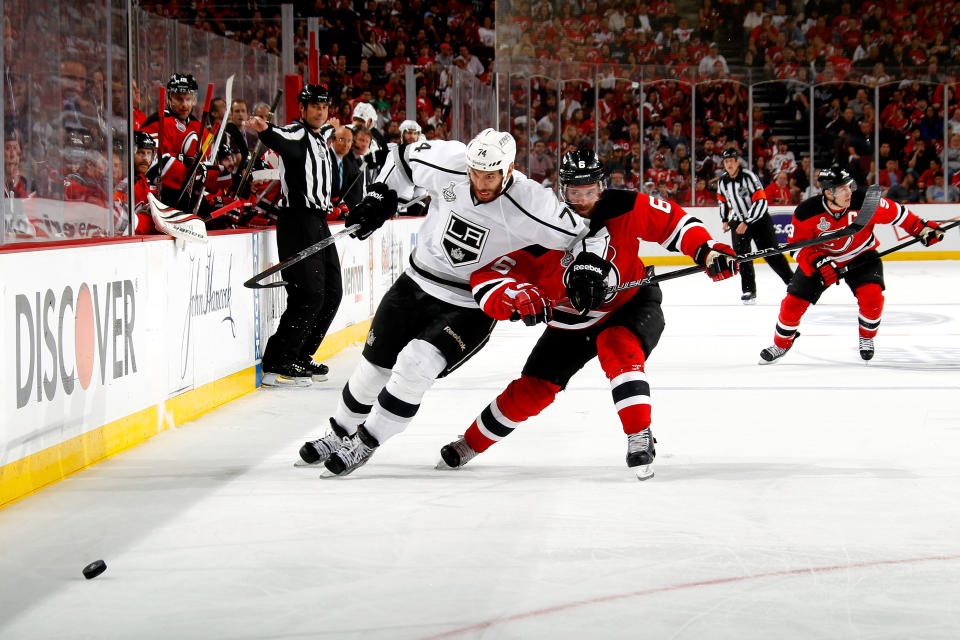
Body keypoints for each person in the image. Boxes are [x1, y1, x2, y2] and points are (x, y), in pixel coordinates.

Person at [296, 129, 609, 476]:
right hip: (414, 283)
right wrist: (380, 196)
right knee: (372, 370)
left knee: (416, 364)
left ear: (508, 169)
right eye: (475, 172)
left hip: (468, 304)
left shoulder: (532, 201)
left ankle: (367, 442)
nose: (481, 182)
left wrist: (588, 269)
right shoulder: (449, 161)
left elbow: (589, 235)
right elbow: (402, 159)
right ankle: (338, 432)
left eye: (490, 175)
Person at [436, 150, 738, 479]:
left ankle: (639, 433)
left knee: (616, 344)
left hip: (630, 304)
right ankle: (470, 442)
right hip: (568, 324)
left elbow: (675, 224)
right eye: (574, 193)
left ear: (602, 187)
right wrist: (516, 297)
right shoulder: (538, 225)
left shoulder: (625, 206)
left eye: (590, 191)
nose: (582, 201)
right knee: (532, 389)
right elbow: (489, 277)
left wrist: (706, 250)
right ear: (561, 190)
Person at [246, 84, 388, 386]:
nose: (320, 111)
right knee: (308, 294)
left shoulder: (321, 139)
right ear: (303, 108)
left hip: (318, 221)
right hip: (298, 221)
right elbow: (278, 136)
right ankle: (278, 361)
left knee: (332, 292)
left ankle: (300, 354)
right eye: (314, 106)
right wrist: (263, 127)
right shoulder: (297, 133)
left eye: (324, 107)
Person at [759, 166, 945, 364]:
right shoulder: (806, 212)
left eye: (850, 186)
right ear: (828, 192)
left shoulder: (866, 202)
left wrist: (922, 228)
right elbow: (797, 248)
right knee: (792, 304)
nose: (849, 192)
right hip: (822, 260)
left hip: (861, 255)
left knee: (872, 298)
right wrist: (818, 261)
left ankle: (867, 337)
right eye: (843, 189)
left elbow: (901, 216)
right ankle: (782, 343)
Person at [716, 147, 794, 304]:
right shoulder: (723, 181)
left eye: (731, 160)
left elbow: (761, 201)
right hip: (738, 221)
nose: (729, 164)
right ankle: (749, 290)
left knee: (771, 253)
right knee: (743, 257)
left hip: (759, 219)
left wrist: (747, 221)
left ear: (738, 161)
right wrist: (725, 219)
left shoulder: (749, 177)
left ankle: (792, 282)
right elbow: (722, 200)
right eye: (726, 161)